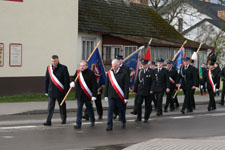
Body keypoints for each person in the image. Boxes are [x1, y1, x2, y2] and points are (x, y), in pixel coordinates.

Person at [70, 60, 97, 129]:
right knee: (79, 109)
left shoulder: (91, 73)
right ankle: (78, 123)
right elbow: (73, 78)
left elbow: (94, 85)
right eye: (81, 66)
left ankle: (92, 120)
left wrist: (94, 95)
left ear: (86, 66)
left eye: (83, 66)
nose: (81, 67)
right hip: (80, 95)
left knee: (90, 109)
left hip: (88, 95)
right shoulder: (78, 72)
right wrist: (72, 82)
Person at [44, 55, 70, 126]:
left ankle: (63, 119)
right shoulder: (49, 68)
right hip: (51, 91)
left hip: (60, 91)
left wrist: (66, 91)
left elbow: (66, 80)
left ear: (58, 60)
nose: (53, 62)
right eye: (52, 61)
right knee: (50, 107)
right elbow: (46, 79)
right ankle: (48, 121)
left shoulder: (63, 68)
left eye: (55, 61)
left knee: (62, 106)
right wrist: (46, 91)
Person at [104, 59, 130, 131]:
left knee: (121, 110)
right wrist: (106, 95)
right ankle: (109, 125)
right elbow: (107, 84)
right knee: (110, 110)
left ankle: (123, 121)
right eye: (112, 66)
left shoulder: (124, 73)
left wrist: (126, 97)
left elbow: (126, 86)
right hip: (111, 96)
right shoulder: (109, 73)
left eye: (115, 66)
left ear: (118, 65)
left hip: (120, 96)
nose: (113, 67)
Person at [113, 55, 130, 120]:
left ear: (121, 61)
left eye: (118, 60)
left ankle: (121, 115)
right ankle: (115, 113)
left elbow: (127, 78)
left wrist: (127, 87)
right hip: (115, 87)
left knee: (122, 103)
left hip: (122, 88)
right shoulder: (114, 67)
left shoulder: (126, 68)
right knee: (114, 103)